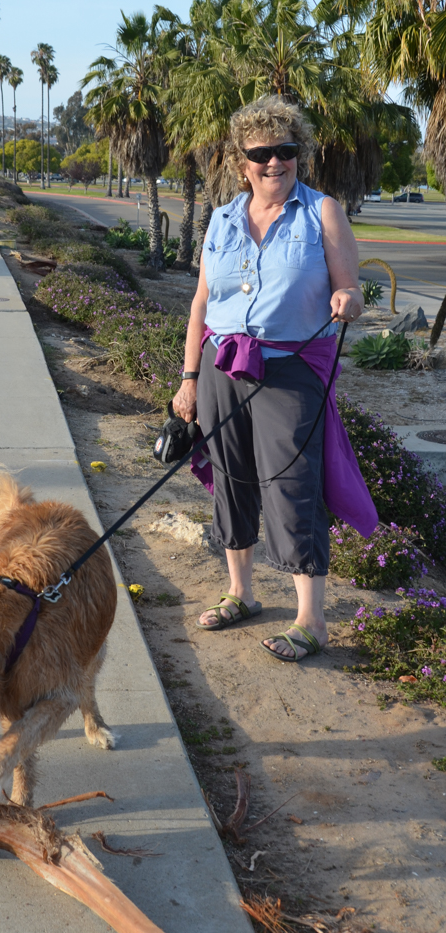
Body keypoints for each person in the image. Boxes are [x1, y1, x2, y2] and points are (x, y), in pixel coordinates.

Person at [172, 95, 376, 662]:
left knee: (292, 482)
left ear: (299, 156)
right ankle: (241, 592)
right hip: (220, 364)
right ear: (242, 163)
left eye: (285, 151)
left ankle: (311, 619)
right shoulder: (223, 218)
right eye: (261, 153)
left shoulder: (322, 212)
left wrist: (346, 298)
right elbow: (201, 304)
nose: (274, 162)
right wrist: (188, 378)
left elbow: (351, 287)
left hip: (290, 366)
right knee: (231, 475)